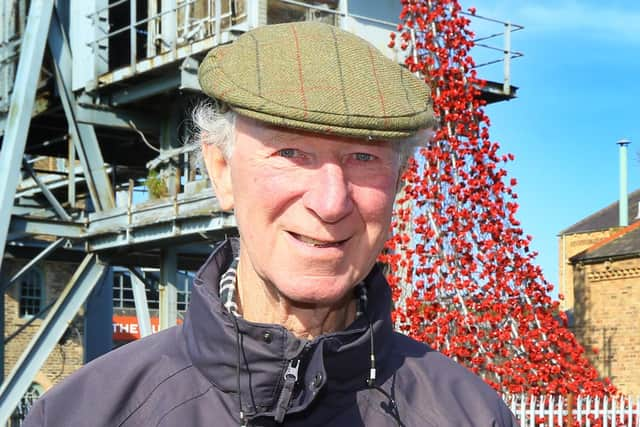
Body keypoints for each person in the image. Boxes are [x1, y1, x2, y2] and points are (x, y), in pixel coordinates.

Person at [24, 21, 518, 426]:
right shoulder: (81, 415)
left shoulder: (471, 415)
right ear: (221, 171)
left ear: (399, 182)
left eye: (364, 157)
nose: (330, 202)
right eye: (289, 152)